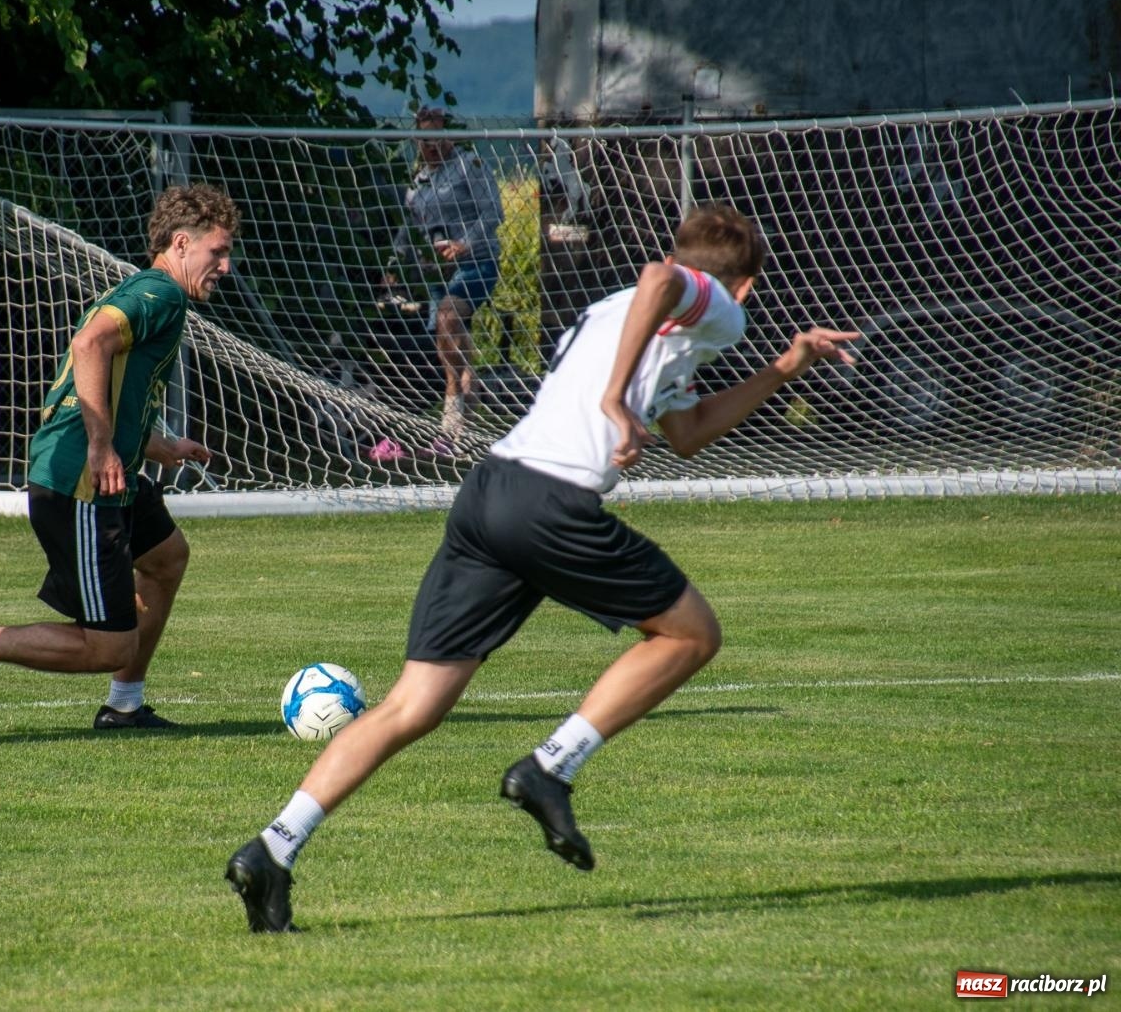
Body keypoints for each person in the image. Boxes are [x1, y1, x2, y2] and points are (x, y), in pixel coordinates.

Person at [226, 204, 858, 932]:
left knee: (413, 705)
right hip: (550, 503)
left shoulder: (613, 314)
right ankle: (551, 766)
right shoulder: (712, 302)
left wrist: (788, 365)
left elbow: (688, 434)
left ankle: (272, 847)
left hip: (489, 492)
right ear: (744, 284)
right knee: (691, 634)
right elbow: (662, 280)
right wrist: (617, 401)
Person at [0, 185, 237, 731]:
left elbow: (111, 384)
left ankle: (125, 706)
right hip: (81, 484)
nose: (225, 266)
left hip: (107, 474)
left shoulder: (157, 293)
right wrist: (100, 446)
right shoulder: (161, 293)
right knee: (108, 646)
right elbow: (89, 345)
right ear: (182, 244)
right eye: (218, 252)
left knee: (166, 560)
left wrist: (159, 446)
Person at [391, 107, 504, 452]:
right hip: (438, 271)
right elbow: (409, 229)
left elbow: (494, 212)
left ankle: (451, 422)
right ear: (416, 141)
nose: (433, 145)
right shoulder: (417, 185)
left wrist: (465, 244)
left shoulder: (469, 166)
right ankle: (470, 389)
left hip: (477, 261)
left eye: (438, 136)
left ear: (449, 136)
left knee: (447, 318)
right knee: (448, 333)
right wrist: (395, 261)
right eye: (425, 139)